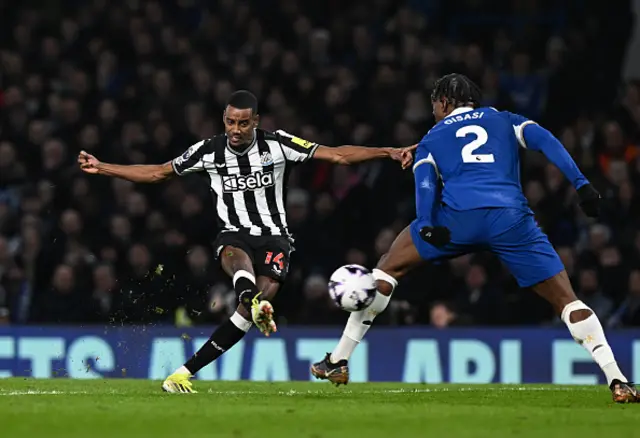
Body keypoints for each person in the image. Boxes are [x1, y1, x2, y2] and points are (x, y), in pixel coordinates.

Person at [311, 74, 639, 404]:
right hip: (509, 219)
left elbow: (424, 181)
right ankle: (618, 379)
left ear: (442, 103)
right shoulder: (504, 119)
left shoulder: (432, 137)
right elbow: (547, 141)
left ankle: (339, 360)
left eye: (434, 105)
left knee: (386, 270)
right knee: (567, 301)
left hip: (457, 219)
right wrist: (581, 184)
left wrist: (426, 223)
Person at [78, 90, 415, 393]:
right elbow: (157, 172)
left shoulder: (278, 144)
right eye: (229, 122)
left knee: (250, 312)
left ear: (256, 121)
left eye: (242, 123)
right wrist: (103, 167)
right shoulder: (208, 151)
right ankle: (248, 295)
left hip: (275, 238)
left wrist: (386, 151)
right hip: (234, 234)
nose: (235, 129)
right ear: (223, 120)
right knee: (236, 256)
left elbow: (337, 155)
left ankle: (181, 373)